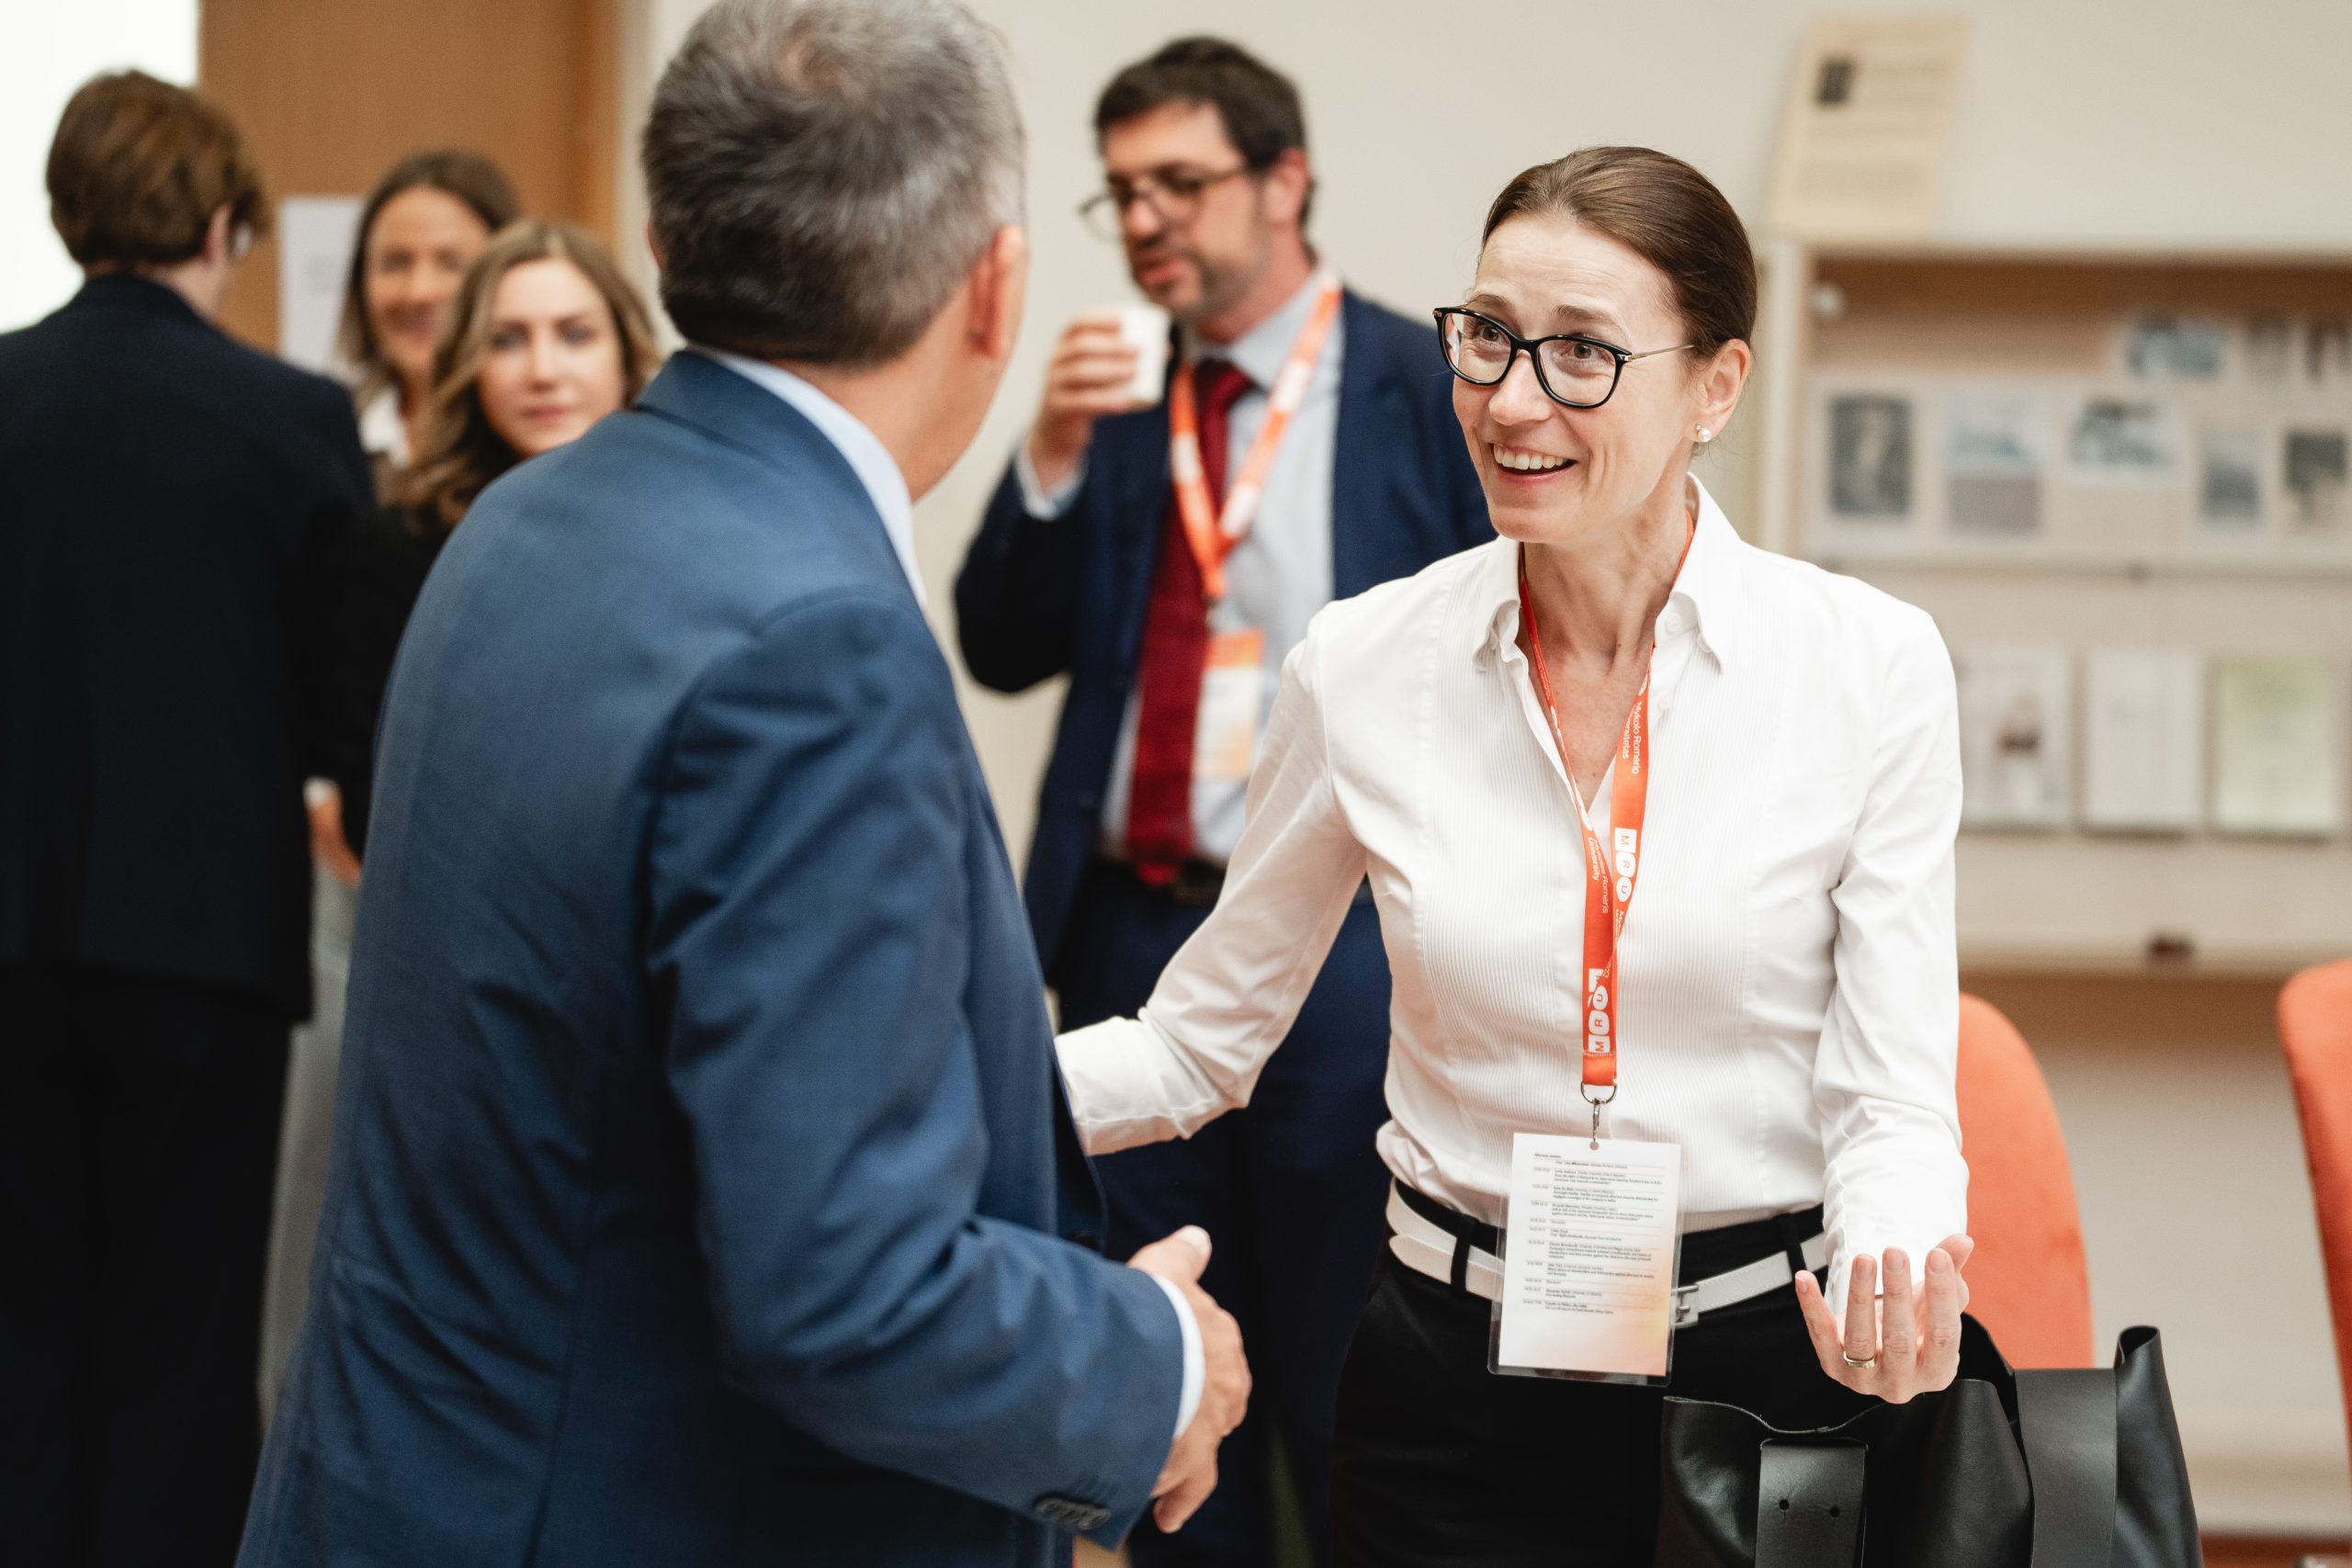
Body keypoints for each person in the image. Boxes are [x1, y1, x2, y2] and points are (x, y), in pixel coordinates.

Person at [240, 4, 1248, 1566]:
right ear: (997, 285)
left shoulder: (526, 515)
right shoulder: (814, 643)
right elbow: (847, 1288)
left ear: (661, 243)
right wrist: (1155, 1363)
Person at [1056, 146, 1977, 1567]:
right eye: (1486, 336)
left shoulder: (1864, 665)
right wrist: (941, 1091)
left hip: (1777, 1375)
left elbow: (1891, 1091)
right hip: (1455, 1381)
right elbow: (1197, 1047)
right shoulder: (1367, 665)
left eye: (1582, 353)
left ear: (1716, 387)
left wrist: (1895, 1263)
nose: (1510, 399)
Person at [954, 39, 1487, 1564]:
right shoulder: (1120, 394)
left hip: (1350, 948)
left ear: (1284, 181)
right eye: (1122, 192)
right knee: (1165, 1356)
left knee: (1338, 1351)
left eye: (1179, 183)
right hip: (1132, 930)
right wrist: (1047, 457)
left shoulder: (1417, 384)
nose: (1145, 220)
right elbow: (1000, 643)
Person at [0, 71, 373, 1568]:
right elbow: (347, 717)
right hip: (207, 943)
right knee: (185, 1336)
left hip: (5, 936)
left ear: (63, 213)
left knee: (20, 1319)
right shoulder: (295, 419)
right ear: (224, 223)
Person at [334, 218, 663, 857]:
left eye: (575, 334)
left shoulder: (689, 537)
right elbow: (368, 805)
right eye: (507, 340)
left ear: (625, 354)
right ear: (468, 363)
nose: (543, 371)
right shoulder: (399, 548)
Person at [337, 149, 522, 490]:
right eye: (396, 263)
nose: (420, 292)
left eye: (453, 264)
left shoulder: (538, 440)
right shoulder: (324, 434)